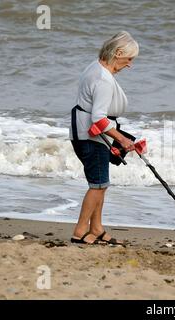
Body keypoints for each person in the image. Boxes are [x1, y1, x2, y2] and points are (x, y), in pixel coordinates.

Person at [69, 31, 139, 245]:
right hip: (91, 137)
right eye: (129, 59)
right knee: (97, 184)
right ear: (118, 53)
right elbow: (98, 118)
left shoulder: (96, 66)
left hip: (85, 133)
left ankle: (97, 228)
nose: (130, 65)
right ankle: (80, 231)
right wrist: (123, 140)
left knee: (101, 183)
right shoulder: (103, 80)